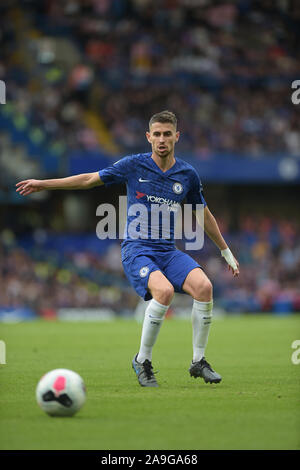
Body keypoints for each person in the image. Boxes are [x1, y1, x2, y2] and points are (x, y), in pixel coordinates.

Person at [16, 110, 239, 387]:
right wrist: (43, 184)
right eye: (156, 134)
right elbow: (89, 180)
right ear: (148, 137)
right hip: (137, 249)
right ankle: (142, 361)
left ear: (176, 137)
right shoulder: (134, 165)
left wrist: (225, 250)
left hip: (168, 251)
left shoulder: (187, 174)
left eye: (167, 134)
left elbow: (202, 213)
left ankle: (198, 361)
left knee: (204, 288)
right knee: (164, 291)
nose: (161, 139)